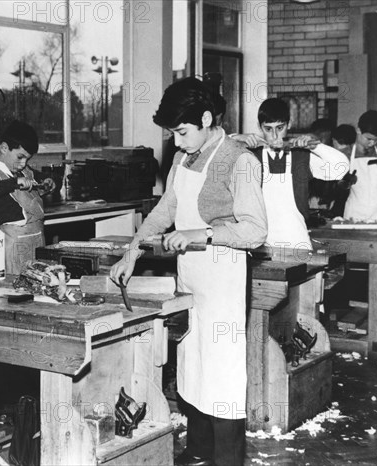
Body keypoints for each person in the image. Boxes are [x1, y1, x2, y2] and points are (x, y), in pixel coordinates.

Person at [110, 77, 267, 466]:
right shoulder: (183, 158)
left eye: (182, 132)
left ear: (207, 118)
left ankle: (228, 459)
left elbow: (256, 230)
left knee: (223, 371)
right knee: (192, 363)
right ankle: (197, 451)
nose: (177, 142)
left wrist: (203, 232)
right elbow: (164, 212)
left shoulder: (240, 160)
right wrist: (133, 251)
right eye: (173, 134)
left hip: (224, 277)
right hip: (190, 277)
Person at [232, 98, 349, 249]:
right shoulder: (252, 156)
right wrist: (236, 137)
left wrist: (315, 147)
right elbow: (215, 151)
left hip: (296, 240)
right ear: (259, 127)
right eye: (268, 129)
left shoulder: (301, 157)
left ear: (289, 124)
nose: (274, 135)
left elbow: (341, 168)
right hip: (260, 243)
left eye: (280, 128)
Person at [0, 121, 55, 276]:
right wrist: (13, 183)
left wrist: (47, 181)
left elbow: (38, 176)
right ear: (4, 148)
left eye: (27, 159)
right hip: (13, 245)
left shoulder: (24, 170)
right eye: (20, 157)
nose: (23, 164)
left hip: (37, 240)